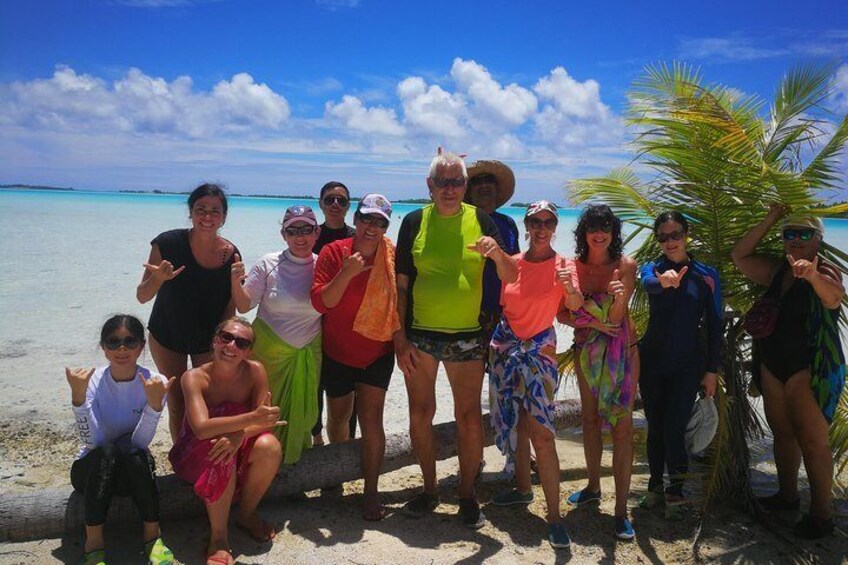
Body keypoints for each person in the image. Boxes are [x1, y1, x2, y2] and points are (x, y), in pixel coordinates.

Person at [394, 149, 518, 529]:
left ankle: (467, 495)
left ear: (464, 186)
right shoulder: (414, 222)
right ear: (430, 186)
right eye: (443, 182)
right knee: (420, 413)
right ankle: (430, 490)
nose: (450, 188)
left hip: (467, 335)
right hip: (420, 336)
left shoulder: (481, 220)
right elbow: (400, 286)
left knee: (467, 417)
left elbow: (512, 276)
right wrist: (399, 337)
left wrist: (496, 253)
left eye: (456, 182)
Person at [731, 204, 845, 539]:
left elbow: (834, 297)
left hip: (807, 368)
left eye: (804, 234)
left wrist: (811, 276)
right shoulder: (778, 270)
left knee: (813, 440)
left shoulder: (826, 271)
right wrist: (770, 218)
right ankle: (787, 495)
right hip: (773, 363)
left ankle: (822, 515)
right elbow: (740, 255)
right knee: (782, 433)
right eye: (789, 234)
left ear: (818, 239)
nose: (795, 240)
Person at [488, 201, 583, 549]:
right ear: (526, 225)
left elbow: (574, 306)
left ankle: (555, 517)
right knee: (515, 423)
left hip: (540, 353)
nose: (541, 227)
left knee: (543, 433)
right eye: (535, 221)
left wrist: (569, 289)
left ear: (555, 227)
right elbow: (507, 304)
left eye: (548, 222)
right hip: (504, 349)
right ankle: (523, 491)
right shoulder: (512, 262)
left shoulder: (564, 264)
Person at [310, 194, 399, 520]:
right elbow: (322, 303)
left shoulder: (392, 257)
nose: (372, 227)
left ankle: (371, 490)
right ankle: (339, 472)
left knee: (372, 421)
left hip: (377, 350)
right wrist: (346, 273)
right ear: (356, 219)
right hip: (338, 351)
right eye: (366, 219)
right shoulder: (334, 252)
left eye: (380, 222)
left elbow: (402, 300)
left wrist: (403, 343)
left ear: (387, 226)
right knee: (338, 418)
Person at [169, 318, 284, 565]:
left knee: (270, 446)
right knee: (221, 449)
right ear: (214, 340)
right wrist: (250, 419)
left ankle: (245, 514)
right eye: (226, 337)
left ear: (248, 351)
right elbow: (200, 429)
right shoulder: (194, 377)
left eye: (241, 343)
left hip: (236, 441)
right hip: (197, 450)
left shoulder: (255, 371)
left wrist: (240, 434)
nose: (231, 346)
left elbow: (267, 421)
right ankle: (219, 538)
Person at [66, 315, 174, 565]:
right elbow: (92, 443)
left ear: (141, 346)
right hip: (90, 471)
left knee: (136, 456)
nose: (122, 349)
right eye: (113, 342)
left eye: (129, 341)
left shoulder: (155, 381)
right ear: (103, 348)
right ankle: (94, 544)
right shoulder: (91, 380)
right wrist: (78, 401)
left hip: (130, 474)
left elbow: (140, 443)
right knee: (106, 453)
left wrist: (155, 406)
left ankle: (152, 537)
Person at [559, 204, 639, 540]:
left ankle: (621, 511)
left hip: (624, 352)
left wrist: (618, 298)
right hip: (587, 352)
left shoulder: (625, 266)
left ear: (613, 231)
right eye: (592, 224)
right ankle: (593, 486)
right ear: (583, 232)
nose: (599, 230)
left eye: (605, 224)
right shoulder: (572, 267)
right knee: (590, 421)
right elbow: (562, 315)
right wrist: (594, 321)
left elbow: (619, 318)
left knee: (621, 426)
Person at [137, 183, 238, 442]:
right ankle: (180, 457)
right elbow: (142, 296)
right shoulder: (168, 243)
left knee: (207, 401)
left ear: (224, 217)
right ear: (190, 212)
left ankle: (203, 456)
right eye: (200, 209)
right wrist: (158, 279)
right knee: (178, 402)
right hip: (167, 334)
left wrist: (225, 339)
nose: (207, 216)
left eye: (214, 211)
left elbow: (230, 303)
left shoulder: (231, 253)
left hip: (208, 339)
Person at [637, 211, 722, 520]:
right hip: (652, 361)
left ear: (687, 233)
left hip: (688, 363)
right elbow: (648, 284)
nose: (669, 242)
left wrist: (712, 370)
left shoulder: (707, 275)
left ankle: (676, 491)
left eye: (675, 235)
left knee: (675, 427)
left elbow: (715, 326)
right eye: (663, 237)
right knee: (655, 427)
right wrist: (664, 282)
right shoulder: (652, 269)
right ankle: (654, 487)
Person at [230, 205, 322, 464]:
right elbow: (244, 305)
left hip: (308, 352)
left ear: (316, 232)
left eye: (306, 229)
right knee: (262, 411)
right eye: (293, 230)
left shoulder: (324, 264)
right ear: (284, 235)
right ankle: (254, 466)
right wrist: (235, 281)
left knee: (301, 414)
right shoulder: (268, 263)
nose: (300, 236)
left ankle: (293, 468)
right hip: (268, 355)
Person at [312, 181, 357, 447]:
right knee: (314, 388)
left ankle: (346, 448)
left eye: (341, 200)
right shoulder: (309, 234)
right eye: (330, 200)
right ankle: (316, 438)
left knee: (349, 396)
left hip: (347, 326)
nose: (335, 205)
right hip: (313, 321)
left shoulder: (357, 236)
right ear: (321, 204)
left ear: (349, 205)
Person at [464, 160, 521, 340]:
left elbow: (517, 266)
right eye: (476, 182)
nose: (483, 185)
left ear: (497, 188)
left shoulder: (508, 224)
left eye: (488, 180)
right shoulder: (460, 223)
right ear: (468, 190)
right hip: (467, 312)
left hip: (504, 311)